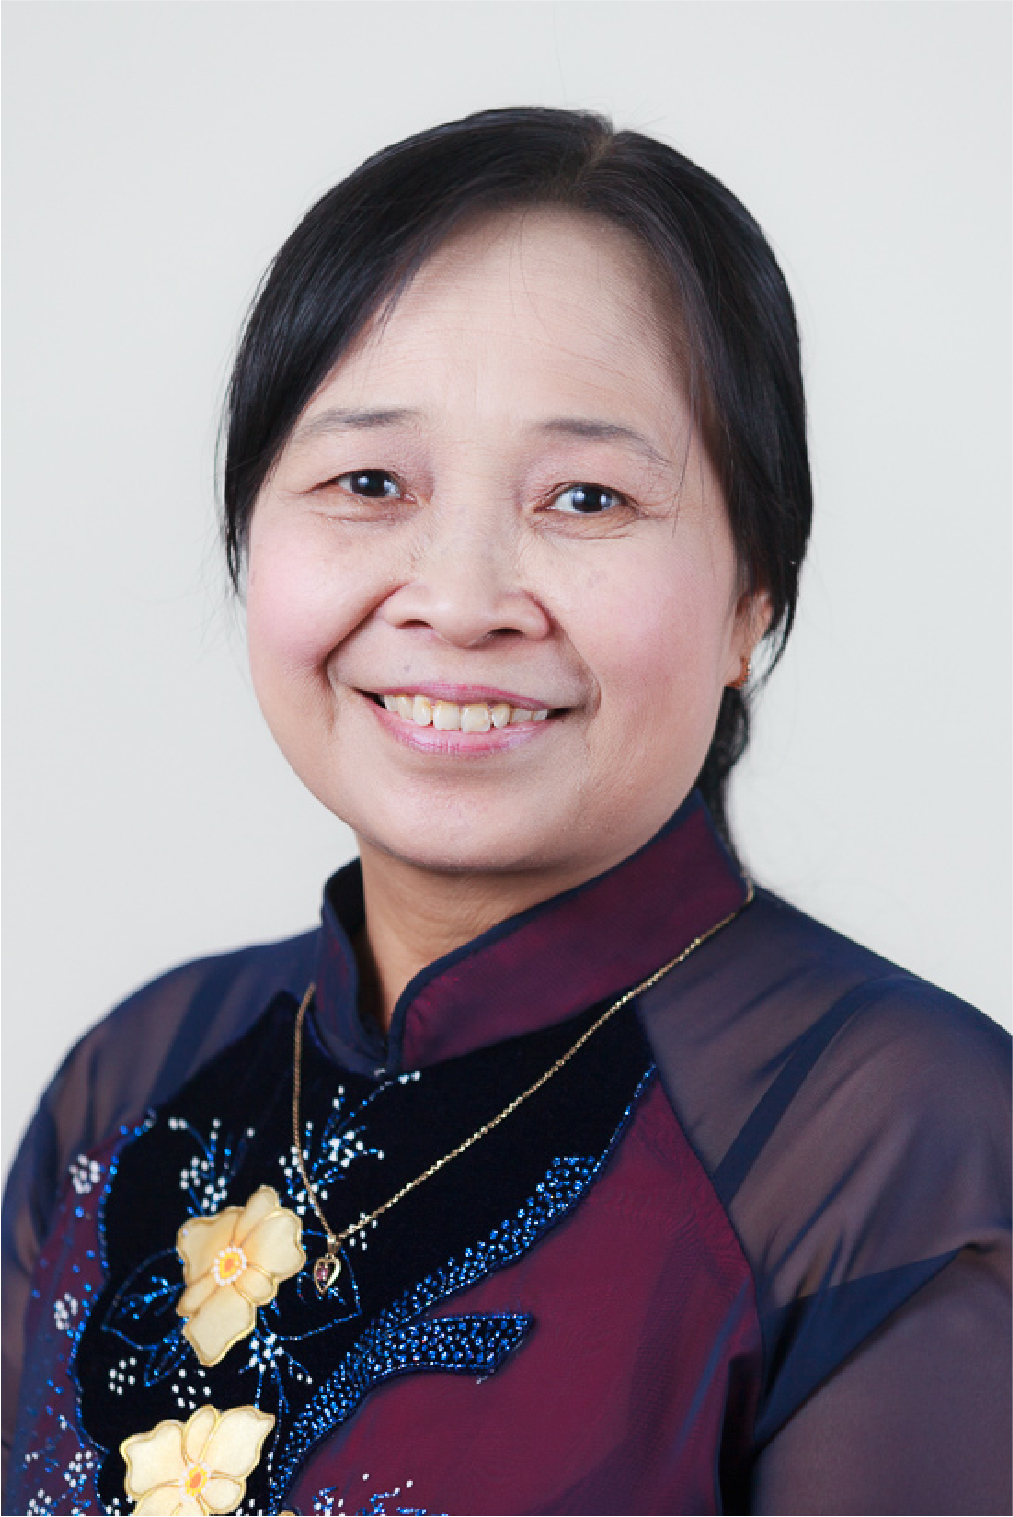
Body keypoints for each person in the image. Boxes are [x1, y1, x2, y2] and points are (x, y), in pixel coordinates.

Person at [3, 107, 1009, 1517]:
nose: (461, 599)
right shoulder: (133, 1076)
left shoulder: (896, 1145)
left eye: (586, 497)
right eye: (368, 483)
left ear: (751, 601)